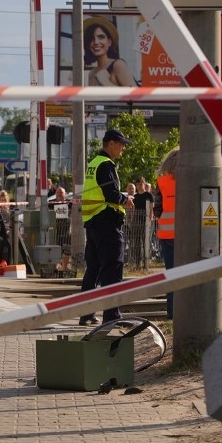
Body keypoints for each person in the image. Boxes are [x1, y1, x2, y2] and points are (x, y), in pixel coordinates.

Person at [78, 128, 135, 326]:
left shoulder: (93, 164)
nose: (123, 149)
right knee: (112, 267)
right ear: (111, 143)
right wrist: (125, 198)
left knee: (93, 269)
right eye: (121, 144)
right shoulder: (106, 164)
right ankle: (112, 315)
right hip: (106, 223)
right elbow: (110, 194)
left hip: (93, 223)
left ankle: (86, 314)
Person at [154, 147, 179, 320]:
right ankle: (183, 312)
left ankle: (171, 312)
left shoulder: (161, 182)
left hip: (166, 236)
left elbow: (157, 210)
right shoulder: (188, 180)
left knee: (171, 274)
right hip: (185, 236)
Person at [83, 16, 138, 88]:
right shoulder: (91, 73)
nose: (96, 42)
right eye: (91, 39)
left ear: (109, 42)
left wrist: (106, 82)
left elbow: (135, 95)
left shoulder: (118, 65)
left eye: (101, 37)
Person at [130, 176, 154, 269]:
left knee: (145, 242)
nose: (139, 186)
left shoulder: (148, 195)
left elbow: (151, 207)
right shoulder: (135, 197)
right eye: (138, 184)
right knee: (136, 243)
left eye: (141, 184)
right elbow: (133, 209)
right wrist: (132, 220)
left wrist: (150, 218)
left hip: (145, 221)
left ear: (144, 184)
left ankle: (146, 263)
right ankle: (137, 263)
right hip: (136, 221)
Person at [49, 186, 72, 272]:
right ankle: (55, 268)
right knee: (55, 250)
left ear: (65, 194)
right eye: (58, 193)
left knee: (66, 250)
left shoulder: (69, 204)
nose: (59, 195)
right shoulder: (51, 204)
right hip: (55, 232)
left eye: (61, 193)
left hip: (65, 231)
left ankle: (63, 269)